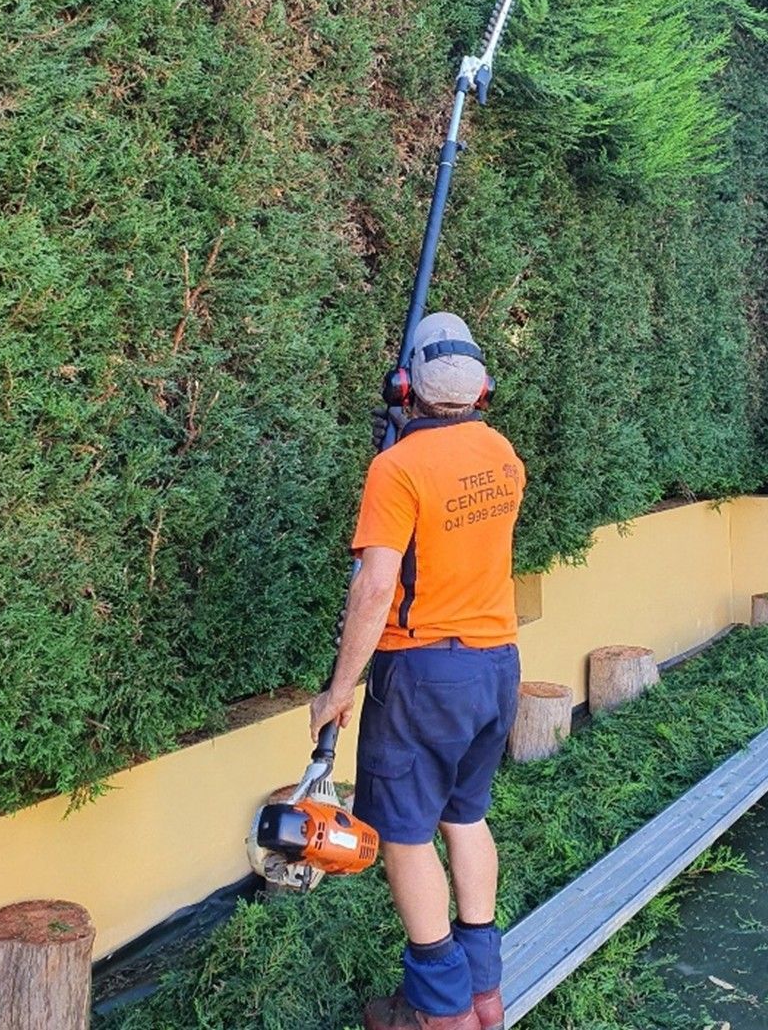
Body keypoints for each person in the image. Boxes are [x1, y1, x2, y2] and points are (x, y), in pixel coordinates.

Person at [307, 311, 525, 1030]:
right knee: (466, 816)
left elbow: (375, 586)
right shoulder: (503, 456)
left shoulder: (396, 468)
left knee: (405, 834)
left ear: (406, 385)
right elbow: (451, 519)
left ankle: (439, 1011)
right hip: (497, 667)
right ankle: (484, 993)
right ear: (482, 387)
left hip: (425, 673)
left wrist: (341, 689)